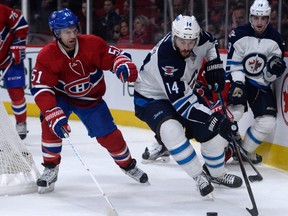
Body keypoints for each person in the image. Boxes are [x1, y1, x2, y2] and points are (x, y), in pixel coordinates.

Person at [30, 8, 148, 193]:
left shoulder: (92, 44)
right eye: (67, 32)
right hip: (61, 97)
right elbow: (40, 87)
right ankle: (50, 168)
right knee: (50, 123)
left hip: (90, 99)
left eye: (74, 30)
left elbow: (116, 56)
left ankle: (128, 165)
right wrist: (51, 111)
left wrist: (122, 65)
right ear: (56, 33)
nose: (72, 35)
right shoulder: (47, 55)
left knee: (110, 137)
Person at [134, 14, 243, 197]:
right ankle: (199, 176)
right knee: (171, 130)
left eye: (190, 42)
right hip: (152, 98)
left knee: (213, 134)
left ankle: (216, 174)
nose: (186, 47)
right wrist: (213, 118)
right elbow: (183, 106)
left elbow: (211, 44)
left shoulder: (200, 37)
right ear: (174, 36)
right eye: (182, 41)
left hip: (184, 92)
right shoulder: (166, 58)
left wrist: (214, 62)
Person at [226, 0, 286, 164]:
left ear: (268, 19)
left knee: (268, 122)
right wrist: (238, 83)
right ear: (251, 17)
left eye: (263, 18)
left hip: (260, 85)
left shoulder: (277, 40)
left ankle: (242, 152)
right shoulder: (238, 34)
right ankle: (219, 151)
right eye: (256, 18)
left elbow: (269, 77)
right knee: (233, 114)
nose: (259, 22)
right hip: (240, 79)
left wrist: (273, 71)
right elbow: (233, 64)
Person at [0, 3, 28, 140]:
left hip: (9, 59)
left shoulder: (2, 11)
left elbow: (21, 24)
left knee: (16, 92)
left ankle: (21, 122)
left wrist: (18, 44)